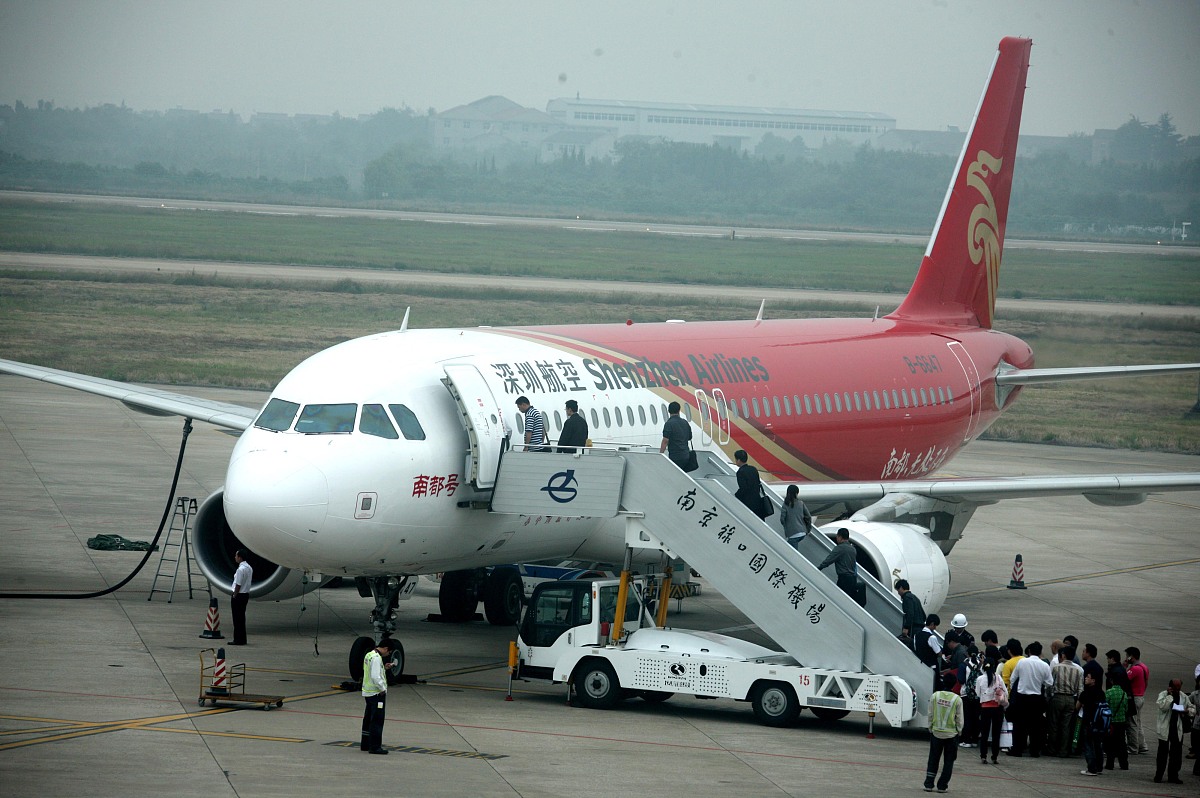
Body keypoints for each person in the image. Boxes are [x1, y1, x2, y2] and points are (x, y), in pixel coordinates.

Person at [1007, 640, 1052, 757]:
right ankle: (1034, 751)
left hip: (1022, 697)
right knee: (1035, 726)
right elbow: (1049, 683)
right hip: (1036, 698)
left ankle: (1017, 749)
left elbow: (1013, 678)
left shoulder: (1022, 662)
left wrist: (1014, 691)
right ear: (1040, 652)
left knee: (1019, 725)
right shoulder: (1044, 665)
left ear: (1029, 651)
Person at [923, 673, 964, 792]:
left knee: (933, 758)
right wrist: (959, 731)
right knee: (949, 761)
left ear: (943, 682)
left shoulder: (935, 696)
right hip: (951, 734)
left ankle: (929, 784)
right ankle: (942, 785)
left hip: (936, 732)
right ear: (954, 684)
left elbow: (930, 714)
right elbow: (959, 718)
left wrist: (930, 727)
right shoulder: (957, 699)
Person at [361, 639, 397, 755]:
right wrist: (383, 689)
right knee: (377, 720)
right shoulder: (377, 658)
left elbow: (371, 671)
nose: (388, 654)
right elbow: (376, 676)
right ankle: (375, 746)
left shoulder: (370, 654)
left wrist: (384, 667)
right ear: (386, 648)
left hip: (368, 692)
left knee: (368, 719)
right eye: (389, 652)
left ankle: (365, 744)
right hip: (377, 694)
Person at [1047, 645, 1083, 757]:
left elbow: (1049, 684)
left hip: (1057, 697)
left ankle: (1052, 749)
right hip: (1071, 698)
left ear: (1063, 655)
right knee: (1066, 726)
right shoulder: (1079, 670)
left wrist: (1049, 696)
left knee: (1054, 724)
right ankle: (1063, 750)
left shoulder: (1056, 667)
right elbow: (1080, 689)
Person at [975, 658, 1008, 765]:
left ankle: (983, 756)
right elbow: (1005, 692)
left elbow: (978, 693)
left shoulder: (980, 679)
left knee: (984, 734)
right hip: (997, 708)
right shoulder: (998, 678)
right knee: (996, 734)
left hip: (985, 708)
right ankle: (994, 756)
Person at [1153, 678, 1187, 784]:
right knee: (1162, 754)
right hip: (1165, 728)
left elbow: (1192, 708)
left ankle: (1173, 776)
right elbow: (1162, 706)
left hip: (1177, 729)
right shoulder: (1163, 694)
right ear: (1171, 687)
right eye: (1175, 688)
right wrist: (1169, 696)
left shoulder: (1183, 696)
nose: (1178, 690)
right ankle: (1159, 775)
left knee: (1176, 754)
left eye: (1179, 688)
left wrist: (1185, 710)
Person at [816, 527, 859, 601]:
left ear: (840, 537)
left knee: (839, 600)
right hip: (853, 579)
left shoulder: (840, 548)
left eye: (837, 536)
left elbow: (829, 560)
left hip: (844, 579)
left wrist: (819, 568)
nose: (836, 538)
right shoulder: (853, 549)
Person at [1077, 670, 1106, 775]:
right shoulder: (1101, 693)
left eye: (1088, 677)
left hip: (1088, 722)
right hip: (1099, 722)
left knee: (1088, 745)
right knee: (1098, 745)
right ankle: (1099, 767)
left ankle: (1091, 768)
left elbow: (1077, 707)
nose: (1085, 678)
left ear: (1093, 680)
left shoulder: (1085, 693)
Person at [1104, 668, 1131, 771]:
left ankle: (1110, 764)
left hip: (1111, 722)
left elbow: (1105, 706)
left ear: (1111, 681)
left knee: (1110, 744)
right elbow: (1126, 708)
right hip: (1121, 722)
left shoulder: (1109, 692)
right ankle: (1124, 764)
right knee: (1122, 744)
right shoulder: (1124, 694)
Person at [1125, 646, 1150, 755]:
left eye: (1127, 656)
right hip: (1141, 697)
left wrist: (1125, 667)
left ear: (1132, 656)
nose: (1126, 658)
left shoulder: (1134, 669)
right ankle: (1142, 745)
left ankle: (1133, 747)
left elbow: (1124, 679)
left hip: (1134, 698)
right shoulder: (1144, 667)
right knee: (1138, 722)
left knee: (1132, 723)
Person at [958, 645, 984, 748]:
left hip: (966, 694)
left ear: (967, 653)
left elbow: (960, 680)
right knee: (976, 717)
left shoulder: (964, 665)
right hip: (978, 695)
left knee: (967, 717)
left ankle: (966, 740)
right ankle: (975, 740)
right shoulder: (981, 665)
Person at [733, 450, 769, 519]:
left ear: (738, 460)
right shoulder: (753, 469)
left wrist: (736, 495)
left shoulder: (740, 472)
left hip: (748, 504)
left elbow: (743, 488)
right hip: (757, 501)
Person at [659, 401, 693, 471]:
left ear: (668, 411)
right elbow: (690, 437)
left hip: (675, 457)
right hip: (686, 455)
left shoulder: (669, 424)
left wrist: (660, 454)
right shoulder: (685, 422)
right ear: (679, 410)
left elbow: (665, 441)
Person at [230, 549, 252, 646]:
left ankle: (237, 639)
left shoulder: (240, 569)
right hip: (245, 595)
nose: (235, 557)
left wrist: (235, 595)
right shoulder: (249, 568)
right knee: (242, 618)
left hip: (239, 595)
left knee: (237, 618)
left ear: (240, 557)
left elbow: (238, 584)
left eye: (236, 555)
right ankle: (243, 639)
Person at [896, 578, 926, 646]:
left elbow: (910, 614)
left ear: (901, 588)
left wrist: (906, 627)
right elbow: (924, 616)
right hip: (920, 628)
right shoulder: (915, 597)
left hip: (913, 628)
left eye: (898, 590)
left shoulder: (907, 598)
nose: (898, 593)